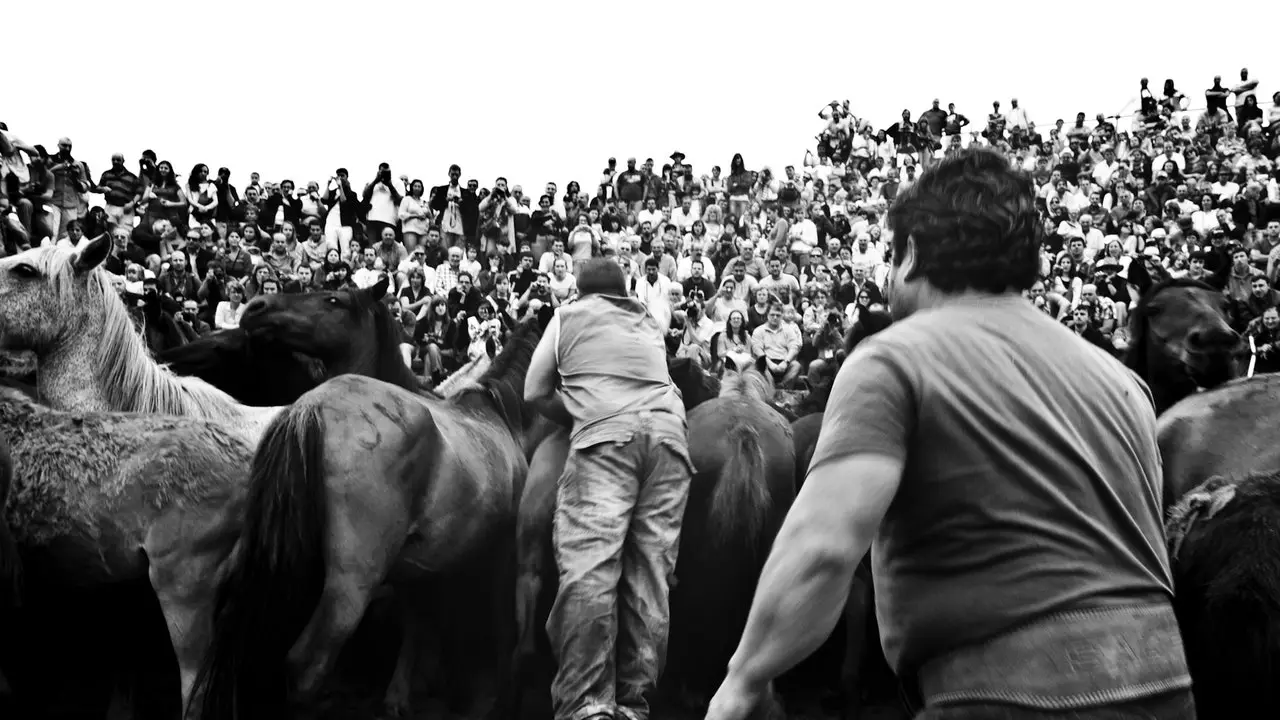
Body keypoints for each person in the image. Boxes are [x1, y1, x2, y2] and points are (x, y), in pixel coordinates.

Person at [706, 149, 1193, 720]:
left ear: (910, 253)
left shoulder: (895, 357)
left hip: (1002, 695)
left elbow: (823, 548)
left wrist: (744, 680)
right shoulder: (1124, 381)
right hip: (1170, 688)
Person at [524, 258, 694, 720]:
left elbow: (534, 392)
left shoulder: (568, 316)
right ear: (623, 292)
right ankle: (634, 705)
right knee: (650, 576)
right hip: (669, 441)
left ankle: (587, 706)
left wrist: (582, 413)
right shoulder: (645, 319)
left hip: (607, 440)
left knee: (591, 573)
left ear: (577, 291)